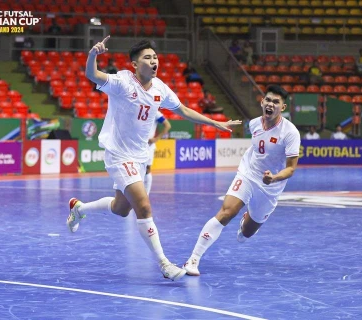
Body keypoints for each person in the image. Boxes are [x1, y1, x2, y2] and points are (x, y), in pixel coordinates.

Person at [66, 37, 241, 281]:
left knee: (121, 209)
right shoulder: (122, 82)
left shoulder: (160, 88)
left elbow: (184, 110)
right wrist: (93, 54)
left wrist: (214, 122)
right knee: (144, 207)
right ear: (135, 65)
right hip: (118, 154)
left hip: (138, 157)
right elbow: (93, 75)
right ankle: (164, 263)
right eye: (147, 58)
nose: (153, 61)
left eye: (155, 57)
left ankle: (79, 208)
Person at [183, 85, 300, 276]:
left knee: (246, 233)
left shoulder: (290, 133)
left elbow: (291, 168)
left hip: (270, 187)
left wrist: (274, 178)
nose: (270, 104)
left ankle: (247, 220)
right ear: (262, 102)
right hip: (248, 174)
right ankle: (193, 259)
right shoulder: (254, 124)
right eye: (268, 100)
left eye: (276, 102)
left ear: (283, 108)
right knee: (227, 211)